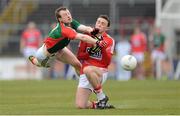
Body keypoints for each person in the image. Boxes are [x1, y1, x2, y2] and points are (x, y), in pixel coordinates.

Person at [28, 7, 107, 76]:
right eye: (65, 15)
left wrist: (94, 31)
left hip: (60, 49)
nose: (68, 16)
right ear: (60, 19)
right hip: (44, 56)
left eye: (68, 13)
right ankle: (34, 60)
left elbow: (84, 28)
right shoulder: (63, 30)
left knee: (77, 65)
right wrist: (97, 42)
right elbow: (82, 37)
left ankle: (85, 85)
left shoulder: (71, 22)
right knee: (39, 63)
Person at [75, 15, 115, 109]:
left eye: (103, 23)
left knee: (87, 69)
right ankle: (98, 104)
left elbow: (107, 62)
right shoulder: (87, 35)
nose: (99, 24)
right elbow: (79, 56)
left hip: (100, 71)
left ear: (107, 28)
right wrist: (90, 52)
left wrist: (103, 49)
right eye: (98, 22)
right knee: (80, 105)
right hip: (85, 72)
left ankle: (102, 97)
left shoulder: (109, 40)